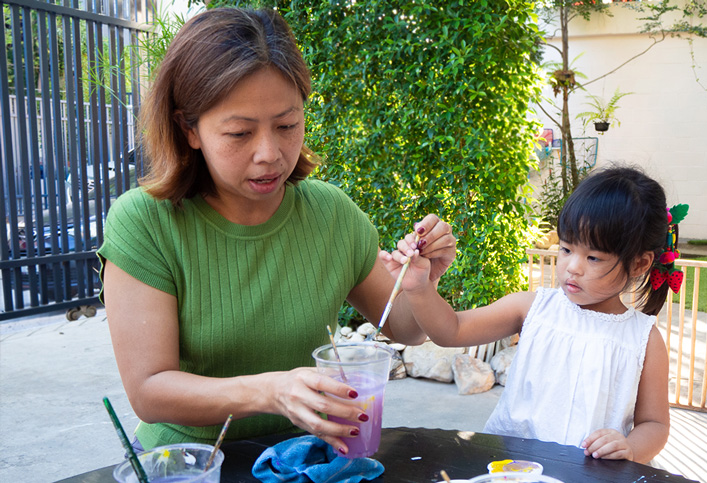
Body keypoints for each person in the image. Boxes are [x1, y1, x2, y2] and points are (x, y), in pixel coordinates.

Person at [97, 8, 455, 455]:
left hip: (306, 457)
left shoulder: (331, 214)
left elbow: (406, 328)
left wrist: (421, 285)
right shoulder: (145, 223)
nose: (269, 153)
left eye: (287, 125)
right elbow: (150, 391)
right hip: (192, 463)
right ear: (189, 129)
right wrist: (270, 392)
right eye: (239, 133)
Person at [384, 165, 675, 464]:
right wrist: (419, 287)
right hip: (513, 466)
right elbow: (451, 330)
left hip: (592, 474)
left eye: (593, 257)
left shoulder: (643, 339)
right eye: (565, 249)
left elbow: (655, 424)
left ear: (640, 264)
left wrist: (630, 448)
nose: (573, 266)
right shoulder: (533, 308)